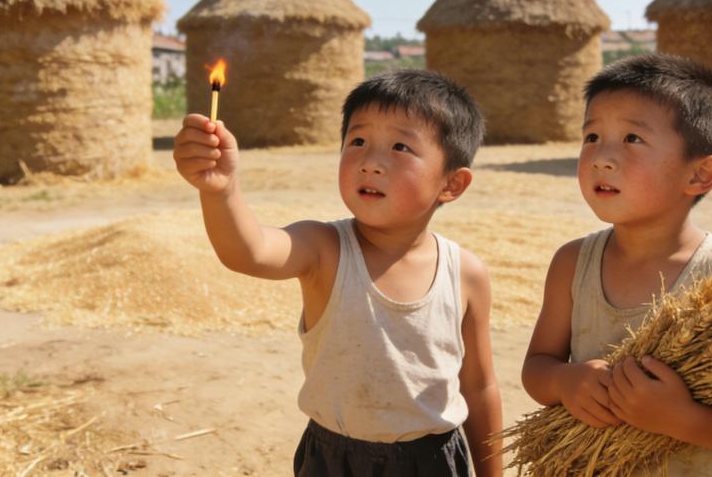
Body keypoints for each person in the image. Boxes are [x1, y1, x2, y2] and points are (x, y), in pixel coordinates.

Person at [174, 69, 502, 477]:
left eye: (400, 146)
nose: (370, 162)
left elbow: (479, 386)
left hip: (431, 460)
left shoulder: (465, 274)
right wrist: (220, 190)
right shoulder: (324, 248)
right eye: (358, 141)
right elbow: (250, 252)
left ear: (452, 184)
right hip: (334, 460)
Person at [521, 54, 712, 476]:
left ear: (699, 175)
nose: (601, 157)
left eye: (632, 139)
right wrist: (565, 382)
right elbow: (537, 367)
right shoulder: (573, 263)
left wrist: (679, 418)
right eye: (591, 136)